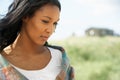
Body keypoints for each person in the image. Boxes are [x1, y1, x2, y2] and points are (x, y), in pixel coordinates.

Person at [0, 0, 74, 80]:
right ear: (25, 16)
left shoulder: (60, 58)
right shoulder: (2, 64)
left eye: (54, 23)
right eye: (45, 21)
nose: (50, 30)